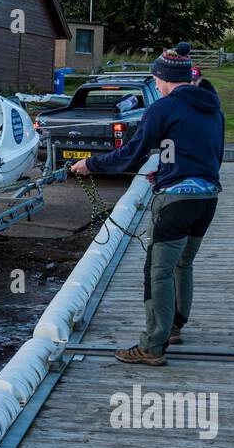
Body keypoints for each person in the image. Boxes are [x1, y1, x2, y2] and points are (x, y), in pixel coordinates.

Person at [69, 43, 224, 366]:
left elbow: (132, 152)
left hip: (176, 203)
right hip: (207, 198)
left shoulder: (162, 107)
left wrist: (91, 165)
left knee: (158, 272)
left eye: (156, 79)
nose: (155, 84)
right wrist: (166, 170)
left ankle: (153, 345)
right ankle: (175, 327)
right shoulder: (212, 107)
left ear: (165, 77)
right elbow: (208, 153)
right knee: (184, 264)